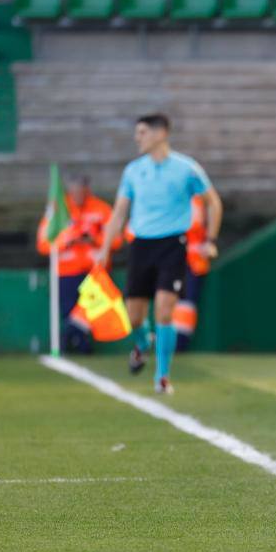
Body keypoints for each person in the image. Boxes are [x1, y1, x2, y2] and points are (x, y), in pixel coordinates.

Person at [96, 114, 222, 394]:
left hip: (173, 245)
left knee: (165, 310)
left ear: (160, 133)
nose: (137, 138)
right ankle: (143, 343)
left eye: (142, 132)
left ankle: (162, 376)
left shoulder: (186, 168)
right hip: (141, 245)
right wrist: (104, 248)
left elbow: (213, 203)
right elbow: (119, 211)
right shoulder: (133, 171)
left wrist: (210, 239)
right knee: (135, 316)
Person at [36, 174, 121, 354]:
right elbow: (43, 244)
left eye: (82, 191)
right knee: (69, 312)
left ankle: (69, 341)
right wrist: (68, 242)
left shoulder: (101, 209)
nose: (79, 195)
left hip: (95, 271)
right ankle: (79, 346)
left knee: (88, 311)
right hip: (66, 272)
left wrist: (94, 240)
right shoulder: (58, 210)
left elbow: (117, 240)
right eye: (75, 191)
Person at [171, 195, 209, 351]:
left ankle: (181, 342)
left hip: (192, 262)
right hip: (174, 260)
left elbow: (195, 225)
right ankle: (172, 340)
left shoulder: (196, 200)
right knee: (171, 301)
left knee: (186, 304)